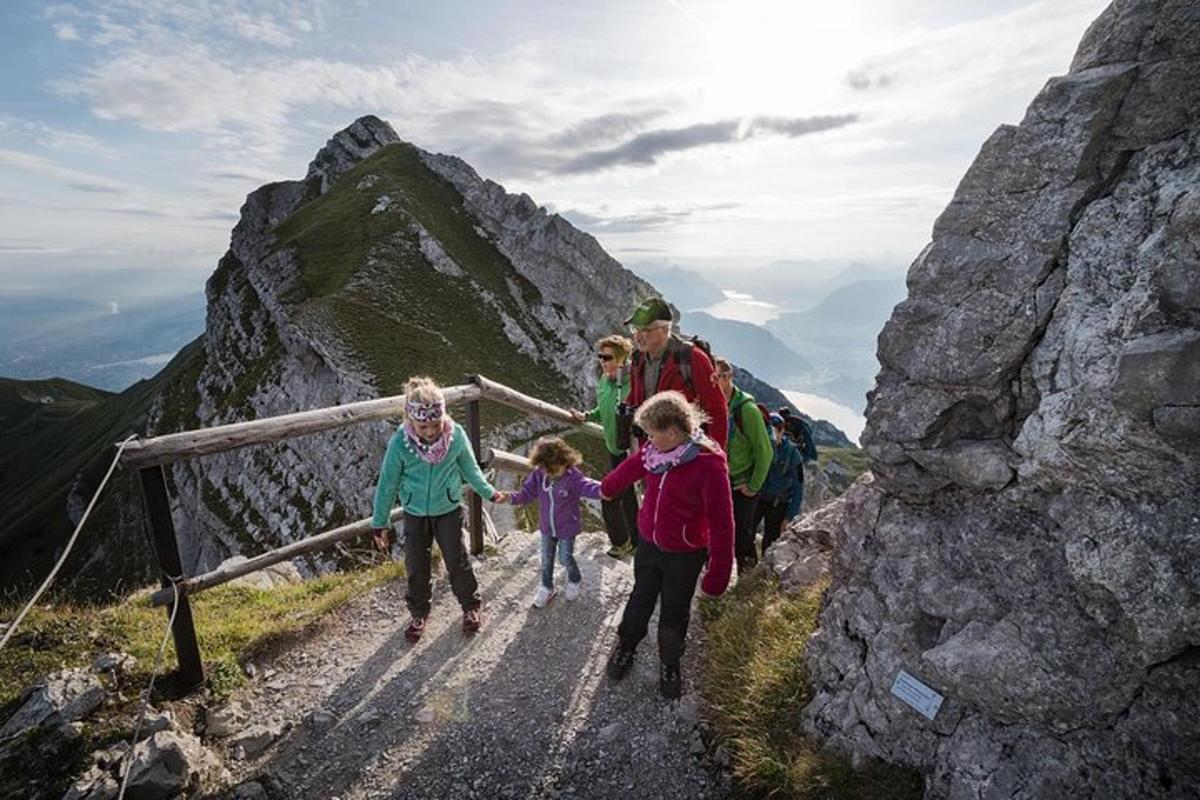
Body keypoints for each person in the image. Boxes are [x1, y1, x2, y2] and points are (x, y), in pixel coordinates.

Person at [599, 391, 734, 699]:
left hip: (684, 554)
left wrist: (718, 574)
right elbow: (634, 466)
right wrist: (608, 488)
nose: (648, 440)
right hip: (649, 543)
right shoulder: (658, 450)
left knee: (674, 610)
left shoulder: (709, 465)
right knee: (640, 598)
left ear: (673, 431)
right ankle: (626, 646)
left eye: (652, 433)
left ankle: (670, 662)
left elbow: (722, 523)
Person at [371, 376, 503, 642]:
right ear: (410, 420)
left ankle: (471, 607)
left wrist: (489, 492)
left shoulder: (456, 437)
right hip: (415, 513)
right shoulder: (400, 443)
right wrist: (379, 522)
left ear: (443, 417)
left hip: (449, 509)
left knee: (458, 561)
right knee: (416, 565)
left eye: (435, 424)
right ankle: (418, 612)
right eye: (423, 426)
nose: (430, 432)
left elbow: (470, 469)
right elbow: (387, 483)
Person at [500, 437, 602, 608]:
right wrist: (510, 497)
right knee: (546, 559)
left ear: (566, 462)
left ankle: (575, 578)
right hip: (547, 527)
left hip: (567, 528)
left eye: (554, 470)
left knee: (564, 557)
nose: (549, 474)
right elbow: (526, 494)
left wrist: (604, 490)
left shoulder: (573, 477)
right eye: (546, 469)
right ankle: (547, 587)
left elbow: (587, 487)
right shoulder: (539, 474)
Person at [622, 297, 728, 449]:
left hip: (684, 454)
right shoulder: (638, 359)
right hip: (650, 452)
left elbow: (717, 411)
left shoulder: (692, 358)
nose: (638, 336)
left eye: (645, 330)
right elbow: (635, 397)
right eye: (635, 329)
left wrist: (714, 455)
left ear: (665, 329)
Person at [570, 335, 639, 559]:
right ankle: (635, 543)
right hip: (613, 448)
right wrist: (587, 415)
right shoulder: (604, 380)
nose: (602, 360)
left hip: (630, 451)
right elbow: (604, 409)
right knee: (627, 498)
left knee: (610, 495)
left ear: (622, 358)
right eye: (600, 356)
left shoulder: (634, 384)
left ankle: (622, 542)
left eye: (607, 357)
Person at [711, 358, 773, 574]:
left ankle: (747, 580)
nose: (711, 382)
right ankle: (715, 575)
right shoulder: (712, 403)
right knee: (714, 530)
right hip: (719, 481)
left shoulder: (747, 410)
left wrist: (754, 486)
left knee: (743, 535)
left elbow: (764, 451)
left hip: (741, 484)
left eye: (716, 377)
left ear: (728, 377)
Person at [753, 414, 805, 555]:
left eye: (777, 430)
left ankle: (761, 573)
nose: (773, 434)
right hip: (758, 497)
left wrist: (789, 517)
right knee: (745, 532)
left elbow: (798, 489)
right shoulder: (759, 446)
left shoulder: (793, 454)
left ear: (783, 431)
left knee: (770, 541)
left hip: (779, 503)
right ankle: (747, 568)